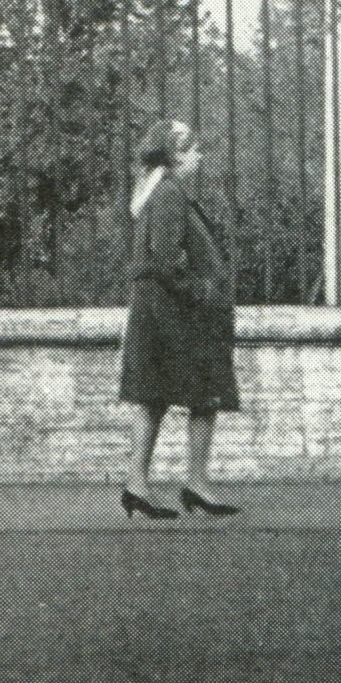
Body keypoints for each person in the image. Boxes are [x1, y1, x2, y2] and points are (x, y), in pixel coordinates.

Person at [118, 117, 241, 519]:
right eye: (193, 149)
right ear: (175, 155)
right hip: (175, 313)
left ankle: (140, 483)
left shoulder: (158, 191)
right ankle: (196, 482)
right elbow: (166, 261)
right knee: (205, 393)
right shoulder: (169, 194)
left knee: (152, 396)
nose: (200, 155)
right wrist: (202, 290)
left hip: (157, 310)